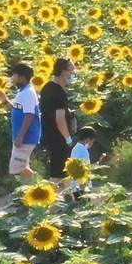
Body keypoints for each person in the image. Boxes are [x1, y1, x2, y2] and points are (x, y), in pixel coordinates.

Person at [0, 64, 41, 179]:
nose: (12, 78)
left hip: (26, 137)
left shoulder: (28, 93)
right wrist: (4, 100)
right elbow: (16, 110)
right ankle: (37, 188)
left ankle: (42, 187)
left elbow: (29, 115)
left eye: (14, 75)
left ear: (22, 77)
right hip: (22, 136)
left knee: (17, 167)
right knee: (21, 166)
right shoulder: (23, 91)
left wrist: (21, 136)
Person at [40, 58, 77, 186]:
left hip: (49, 136)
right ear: (63, 72)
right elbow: (60, 119)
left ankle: (66, 202)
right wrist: (68, 139)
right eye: (72, 71)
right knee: (59, 175)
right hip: (59, 139)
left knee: (61, 174)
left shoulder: (47, 87)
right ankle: (55, 204)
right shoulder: (58, 92)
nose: (73, 74)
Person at [69, 126, 97, 195]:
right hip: (81, 186)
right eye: (92, 141)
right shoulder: (83, 150)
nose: (92, 144)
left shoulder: (76, 148)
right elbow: (83, 169)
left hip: (76, 186)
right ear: (88, 140)